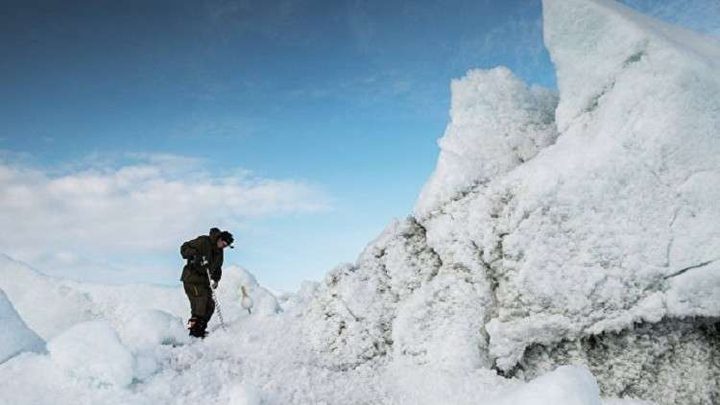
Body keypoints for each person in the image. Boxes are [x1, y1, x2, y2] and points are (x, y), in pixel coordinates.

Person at [180, 227, 234, 338]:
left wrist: (216, 280)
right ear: (219, 239)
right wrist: (195, 256)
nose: (224, 247)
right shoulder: (204, 241)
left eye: (226, 246)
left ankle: (200, 329)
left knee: (210, 306)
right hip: (192, 279)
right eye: (223, 244)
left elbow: (218, 268)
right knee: (200, 304)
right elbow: (184, 249)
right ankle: (192, 332)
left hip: (205, 281)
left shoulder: (220, 252)